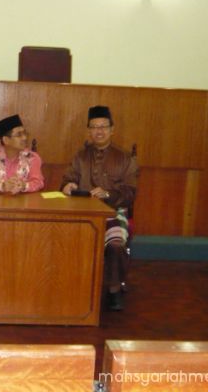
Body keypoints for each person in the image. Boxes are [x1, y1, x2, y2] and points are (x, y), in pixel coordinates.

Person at [60, 105, 138, 311]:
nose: (99, 131)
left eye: (103, 126)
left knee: (115, 245)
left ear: (112, 130)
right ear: (89, 131)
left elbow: (130, 193)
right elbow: (67, 180)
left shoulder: (125, 159)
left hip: (113, 213)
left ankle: (114, 290)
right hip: (83, 213)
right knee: (63, 239)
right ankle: (72, 286)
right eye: (94, 127)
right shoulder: (80, 156)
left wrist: (108, 194)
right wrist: (67, 186)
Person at [0, 114, 44, 194]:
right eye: (19, 135)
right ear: (6, 140)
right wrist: (2, 187)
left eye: (25, 133)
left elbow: (39, 182)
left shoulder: (33, 157)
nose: (24, 138)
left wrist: (24, 186)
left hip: (24, 201)